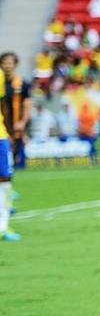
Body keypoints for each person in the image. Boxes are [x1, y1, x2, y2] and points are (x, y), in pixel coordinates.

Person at [0, 53, 31, 169]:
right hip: (1, 128)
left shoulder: (22, 83)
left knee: (13, 161)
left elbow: (27, 105)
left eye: (10, 63)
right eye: (4, 63)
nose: (7, 66)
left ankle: (7, 186)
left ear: (15, 65)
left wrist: (23, 122)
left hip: (17, 129)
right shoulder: (0, 83)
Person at [0, 96, 20, 241]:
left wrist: (10, 132)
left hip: (0, 136)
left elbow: (3, 105)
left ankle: (3, 226)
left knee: (5, 178)